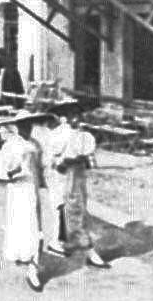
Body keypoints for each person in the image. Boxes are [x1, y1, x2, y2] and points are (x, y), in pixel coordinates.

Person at [43, 103, 110, 268]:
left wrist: (84, 159)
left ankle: (64, 242)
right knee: (65, 210)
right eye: (72, 115)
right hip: (61, 178)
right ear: (63, 118)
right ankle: (84, 248)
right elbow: (54, 163)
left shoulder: (84, 136)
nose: (76, 118)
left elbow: (90, 162)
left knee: (78, 210)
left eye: (79, 115)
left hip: (77, 177)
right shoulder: (57, 135)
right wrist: (68, 161)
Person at [0, 109, 52, 291]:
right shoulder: (10, 146)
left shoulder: (35, 145)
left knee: (36, 226)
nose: (26, 127)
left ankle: (33, 268)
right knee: (20, 224)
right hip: (18, 190)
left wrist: (45, 182)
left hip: (32, 190)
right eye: (22, 124)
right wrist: (12, 172)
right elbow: (1, 172)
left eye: (29, 124)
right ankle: (23, 253)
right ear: (16, 127)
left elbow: (42, 167)